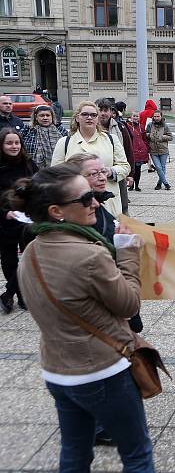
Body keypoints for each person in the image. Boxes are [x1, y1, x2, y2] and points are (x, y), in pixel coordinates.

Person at [9, 163, 155, 471]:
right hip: (101, 372)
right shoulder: (90, 254)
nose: (95, 202)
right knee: (137, 453)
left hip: (57, 372)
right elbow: (129, 305)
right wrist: (127, 252)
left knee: (75, 452)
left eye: (94, 195)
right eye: (85, 198)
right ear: (56, 211)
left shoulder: (32, 249)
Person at [66, 152, 144, 334]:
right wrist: (126, 249)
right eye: (93, 174)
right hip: (103, 305)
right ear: (75, 180)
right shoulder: (82, 217)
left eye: (102, 171)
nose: (102, 177)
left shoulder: (99, 206)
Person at [51, 101, 130, 217]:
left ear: (97, 118)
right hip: (77, 202)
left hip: (108, 203)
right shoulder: (64, 143)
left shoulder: (111, 139)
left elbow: (125, 166)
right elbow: (55, 173)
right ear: (77, 118)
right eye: (85, 114)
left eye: (93, 115)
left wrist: (110, 171)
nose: (89, 118)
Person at [0, 128, 37, 313]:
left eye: (16, 143)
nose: (14, 146)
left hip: (26, 220)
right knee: (9, 260)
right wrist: (4, 213)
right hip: (5, 221)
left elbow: (39, 183)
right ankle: (13, 290)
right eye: (9, 143)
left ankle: (17, 293)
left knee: (28, 258)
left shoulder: (28, 163)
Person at [97, 98, 133, 214]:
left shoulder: (120, 127)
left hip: (118, 171)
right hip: (97, 173)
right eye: (100, 110)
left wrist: (130, 174)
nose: (103, 113)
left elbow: (128, 150)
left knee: (122, 205)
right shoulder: (90, 128)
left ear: (111, 112)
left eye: (106, 110)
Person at [22, 104, 68, 169]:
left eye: (48, 115)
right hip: (32, 168)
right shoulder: (28, 130)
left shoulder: (61, 130)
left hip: (58, 169)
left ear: (52, 117)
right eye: (41, 115)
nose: (45, 118)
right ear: (36, 117)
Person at [144, 110, 172, 191]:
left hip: (163, 150)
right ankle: (166, 183)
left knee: (162, 167)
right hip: (153, 150)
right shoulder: (150, 125)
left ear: (161, 117)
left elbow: (170, 137)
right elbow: (145, 134)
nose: (156, 118)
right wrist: (150, 135)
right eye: (155, 116)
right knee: (158, 168)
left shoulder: (165, 126)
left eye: (158, 116)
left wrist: (161, 137)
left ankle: (159, 183)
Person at [127, 113, 149, 192]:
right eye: (134, 116)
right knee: (132, 169)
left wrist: (146, 148)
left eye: (137, 116)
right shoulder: (128, 126)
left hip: (140, 151)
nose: (135, 118)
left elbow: (144, 138)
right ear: (131, 117)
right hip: (132, 151)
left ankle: (137, 185)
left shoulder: (141, 127)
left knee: (138, 169)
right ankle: (131, 185)